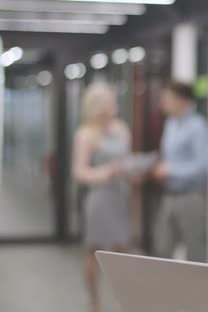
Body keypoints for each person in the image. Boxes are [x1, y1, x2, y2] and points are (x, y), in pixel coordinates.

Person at [72, 82, 134, 312]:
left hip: (119, 197)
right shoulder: (86, 135)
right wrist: (106, 172)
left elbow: (126, 161)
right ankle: (94, 302)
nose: (114, 106)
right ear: (99, 108)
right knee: (93, 251)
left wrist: (132, 169)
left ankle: (123, 301)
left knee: (123, 252)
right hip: (99, 199)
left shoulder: (122, 129)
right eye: (110, 102)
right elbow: (79, 171)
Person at [152, 80, 208, 262]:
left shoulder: (197, 126)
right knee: (162, 248)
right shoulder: (170, 124)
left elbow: (202, 166)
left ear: (182, 100)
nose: (163, 103)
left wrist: (171, 170)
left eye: (167, 99)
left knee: (195, 251)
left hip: (190, 197)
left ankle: (197, 290)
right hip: (169, 195)